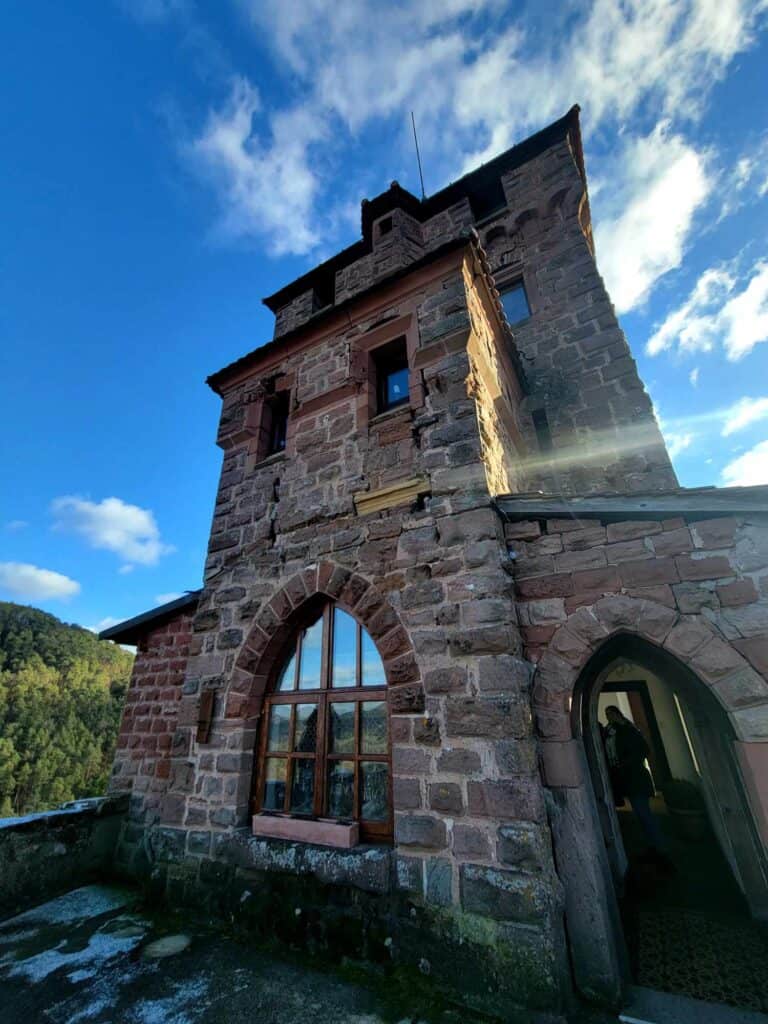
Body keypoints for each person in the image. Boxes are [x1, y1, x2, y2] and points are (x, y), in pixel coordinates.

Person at [604, 705, 673, 869]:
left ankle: (661, 849)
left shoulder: (628, 731)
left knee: (644, 814)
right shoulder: (613, 731)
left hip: (636, 778)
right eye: (607, 715)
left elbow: (642, 750)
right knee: (642, 814)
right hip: (629, 778)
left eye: (610, 714)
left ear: (616, 714)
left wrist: (624, 764)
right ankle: (654, 846)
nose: (608, 717)